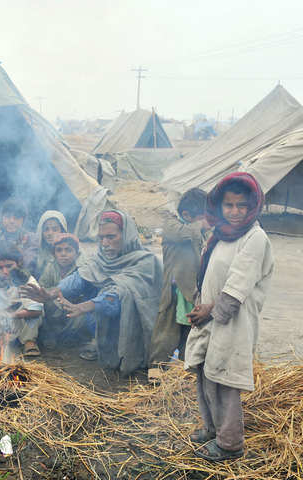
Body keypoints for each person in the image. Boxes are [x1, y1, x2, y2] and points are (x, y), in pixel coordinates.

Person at [184, 173, 273, 462]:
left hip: (233, 321)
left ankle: (230, 444)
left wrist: (211, 310)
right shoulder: (220, 234)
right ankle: (212, 428)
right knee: (205, 373)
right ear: (218, 206)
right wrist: (202, 306)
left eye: (242, 206)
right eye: (229, 205)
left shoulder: (255, 237)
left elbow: (238, 284)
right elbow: (209, 274)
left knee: (224, 380)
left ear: (253, 207)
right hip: (212, 316)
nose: (235, 212)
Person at [21, 210, 162, 374]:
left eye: (111, 237)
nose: (105, 243)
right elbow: (79, 278)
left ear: (127, 235)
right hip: (105, 329)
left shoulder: (145, 262)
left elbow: (117, 294)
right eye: (101, 238)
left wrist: (86, 306)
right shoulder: (100, 259)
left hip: (135, 330)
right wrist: (51, 293)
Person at [147, 188, 208, 382]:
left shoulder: (199, 231)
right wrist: (200, 225)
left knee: (189, 334)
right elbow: (184, 234)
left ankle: (185, 372)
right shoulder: (172, 226)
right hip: (173, 292)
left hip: (192, 292)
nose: (205, 221)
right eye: (201, 217)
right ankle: (156, 371)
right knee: (165, 333)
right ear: (186, 215)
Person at [0, 242, 43, 357]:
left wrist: (11, 315)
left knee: (36, 306)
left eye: (9, 266)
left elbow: (37, 309)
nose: (5, 272)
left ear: (18, 263)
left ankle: (28, 341)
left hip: (19, 323)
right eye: (0, 268)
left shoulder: (26, 280)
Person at [37, 233, 85, 350]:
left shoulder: (81, 269)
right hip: (54, 304)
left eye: (68, 250)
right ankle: (50, 335)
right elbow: (42, 287)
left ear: (76, 254)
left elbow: (84, 292)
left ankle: (68, 337)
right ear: (54, 254)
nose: (63, 254)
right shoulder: (50, 267)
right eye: (59, 250)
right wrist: (56, 296)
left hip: (73, 304)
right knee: (42, 306)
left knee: (80, 318)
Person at [0, 198, 39, 277]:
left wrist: (18, 275)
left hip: (22, 279)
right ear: (1, 218)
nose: (11, 221)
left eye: (16, 218)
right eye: (7, 217)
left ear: (23, 220)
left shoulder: (31, 238)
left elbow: (29, 261)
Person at [34, 210, 68, 280]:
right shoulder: (36, 253)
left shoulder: (72, 250)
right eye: (46, 229)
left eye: (55, 229)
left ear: (62, 231)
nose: (50, 233)